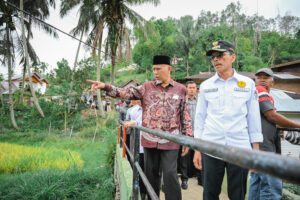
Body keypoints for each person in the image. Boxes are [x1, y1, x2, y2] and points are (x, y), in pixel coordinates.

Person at [87, 55, 192, 200]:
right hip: (149, 140)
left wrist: (188, 138)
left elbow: (186, 115)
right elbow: (125, 93)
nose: (155, 72)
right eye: (154, 69)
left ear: (169, 69)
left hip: (170, 140)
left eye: (158, 69)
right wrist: (106, 86)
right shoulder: (146, 87)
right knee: (150, 176)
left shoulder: (181, 89)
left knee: (170, 175)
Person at [193, 40, 263, 200]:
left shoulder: (247, 84)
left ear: (233, 57)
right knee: (209, 193)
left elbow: (253, 117)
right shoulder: (205, 86)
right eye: (212, 57)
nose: (215, 60)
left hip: (239, 147)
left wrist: (256, 150)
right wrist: (197, 149)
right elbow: (200, 118)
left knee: (237, 194)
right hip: (211, 146)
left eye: (220, 55)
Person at [248, 68, 300, 200]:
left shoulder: (260, 95)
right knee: (271, 192)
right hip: (265, 149)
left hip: (259, 149)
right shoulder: (259, 91)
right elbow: (271, 116)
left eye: (266, 77)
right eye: (259, 77)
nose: (262, 80)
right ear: (255, 81)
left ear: (273, 82)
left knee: (257, 189)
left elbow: (272, 120)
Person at [179, 81, 202, 189]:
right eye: (190, 87)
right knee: (185, 157)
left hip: (198, 133)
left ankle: (200, 178)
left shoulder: (200, 101)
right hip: (185, 134)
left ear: (196, 90)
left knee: (199, 155)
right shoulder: (183, 101)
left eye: (194, 88)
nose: (192, 89)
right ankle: (184, 179)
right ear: (186, 89)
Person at [123, 100, 147, 200]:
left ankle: (148, 191)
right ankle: (142, 191)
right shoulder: (132, 111)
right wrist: (127, 125)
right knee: (138, 168)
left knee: (150, 170)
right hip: (137, 145)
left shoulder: (151, 109)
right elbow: (127, 127)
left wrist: (136, 123)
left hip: (149, 145)